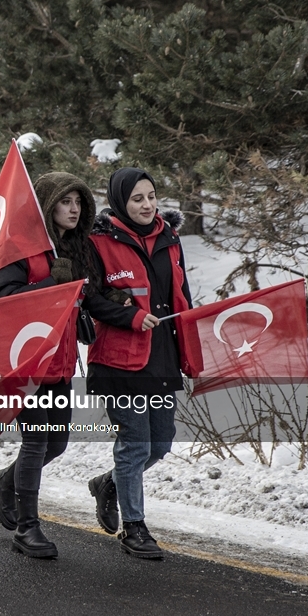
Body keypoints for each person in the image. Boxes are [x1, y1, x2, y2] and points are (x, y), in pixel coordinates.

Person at [0, 172, 98, 559]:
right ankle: (26, 526)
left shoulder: (73, 247)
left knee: (57, 443)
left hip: (63, 362)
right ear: (48, 205)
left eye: (79, 202)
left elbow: (81, 297)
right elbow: (3, 298)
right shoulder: (16, 247)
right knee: (35, 443)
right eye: (66, 202)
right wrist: (52, 281)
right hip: (27, 363)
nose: (74, 209)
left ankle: (4, 480)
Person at [85, 167, 192, 559]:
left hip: (162, 357)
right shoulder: (97, 242)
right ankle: (135, 527)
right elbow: (89, 298)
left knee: (160, 443)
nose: (147, 205)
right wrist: (129, 316)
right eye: (137, 199)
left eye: (151, 196)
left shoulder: (169, 236)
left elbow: (182, 296)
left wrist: (192, 351)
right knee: (135, 444)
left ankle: (109, 484)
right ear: (119, 202)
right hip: (119, 362)